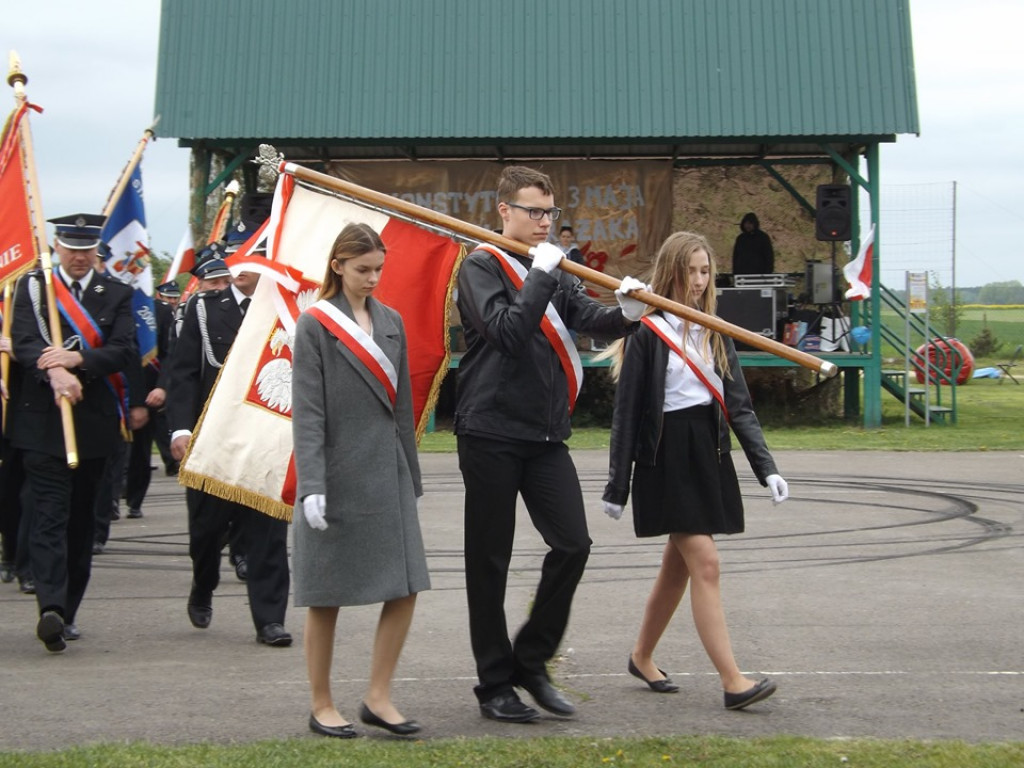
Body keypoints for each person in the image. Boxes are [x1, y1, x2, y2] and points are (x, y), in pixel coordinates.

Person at [454, 165, 647, 723]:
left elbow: (585, 316)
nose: (544, 222)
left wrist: (626, 314)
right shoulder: (480, 266)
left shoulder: (553, 265)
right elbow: (509, 333)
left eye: (549, 212)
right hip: (489, 431)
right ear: (504, 211)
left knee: (573, 544)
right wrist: (540, 274)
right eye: (533, 211)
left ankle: (532, 662)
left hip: (544, 434)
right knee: (488, 561)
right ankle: (495, 685)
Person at [602, 231, 789, 710]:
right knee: (705, 563)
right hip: (666, 456)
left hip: (708, 451)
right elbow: (627, 413)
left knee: (677, 568)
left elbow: (739, 407)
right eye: (690, 271)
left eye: (706, 271)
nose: (700, 280)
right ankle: (733, 681)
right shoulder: (647, 332)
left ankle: (641, 656)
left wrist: (765, 468)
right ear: (671, 273)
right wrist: (617, 485)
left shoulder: (714, 329)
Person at [291, 223, 429, 739]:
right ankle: (321, 703)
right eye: (362, 269)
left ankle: (378, 696)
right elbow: (307, 412)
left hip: (387, 471)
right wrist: (311, 484)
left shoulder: (391, 321)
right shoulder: (315, 324)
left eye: (378, 270)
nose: (372, 278)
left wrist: (411, 475)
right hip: (334, 474)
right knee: (325, 592)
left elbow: (402, 408)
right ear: (338, 266)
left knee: (406, 586)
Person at [8, 213, 137, 651]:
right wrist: (54, 372)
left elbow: (124, 350)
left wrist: (78, 361)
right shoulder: (32, 289)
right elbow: (24, 341)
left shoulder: (116, 293)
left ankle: (68, 610)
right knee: (48, 516)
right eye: (71, 249)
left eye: (86, 250)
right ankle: (50, 607)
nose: (79, 257)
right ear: (57, 248)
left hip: (92, 424)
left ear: (96, 251)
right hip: (41, 423)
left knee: (80, 523)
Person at [166, 256, 291, 646]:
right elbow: (184, 372)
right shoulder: (203, 308)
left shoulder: (285, 307)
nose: (242, 267)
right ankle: (203, 585)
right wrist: (181, 428)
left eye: (253, 257)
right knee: (206, 531)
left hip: (266, 439)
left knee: (268, 533)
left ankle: (270, 620)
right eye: (237, 257)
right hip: (214, 439)